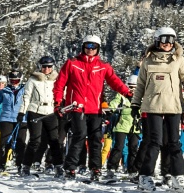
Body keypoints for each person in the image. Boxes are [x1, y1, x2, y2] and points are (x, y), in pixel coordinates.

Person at [131, 27, 184, 193]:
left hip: (173, 106)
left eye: (171, 40)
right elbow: (140, 86)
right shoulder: (148, 61)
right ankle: (145, 176)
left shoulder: (178, 60)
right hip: (153, 106)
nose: (168, 44)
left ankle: (177, 176)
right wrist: (135, 104)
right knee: (155, 142)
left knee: (174, 142)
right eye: (164, 40)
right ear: (157, 40)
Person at [54, 34, 133, 181]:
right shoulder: (72, 63)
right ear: (83, 47)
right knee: (79, 136)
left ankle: (95, 168)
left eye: (94, 47)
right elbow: (59, 84)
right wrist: (58, 103)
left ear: (98, 49)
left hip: (95, 108)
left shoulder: (102, 66)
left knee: (96, 139)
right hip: (77, 107)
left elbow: (114, 81)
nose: (90, 49)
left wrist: (127, 93)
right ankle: (70, 168)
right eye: (88, 46)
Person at [22, 57, 61, 176]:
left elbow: (61, 93)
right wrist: (22, 112)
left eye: (49, 67)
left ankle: (58, 166)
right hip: (35, 110)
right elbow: (26, 96)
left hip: (50, 111)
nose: (46, 69)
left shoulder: (56, 80)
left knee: (54, 140)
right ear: (40, 67)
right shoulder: (33, 79)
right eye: (44, 66)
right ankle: (26, 166)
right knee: (35, 139)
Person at [0, 72, 27, 174]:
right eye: (12, 81)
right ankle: (1, 163)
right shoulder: (4, 91)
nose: (14, 83)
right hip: (6, 119)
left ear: (20, 80)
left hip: (21, 118)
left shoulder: (25, 90)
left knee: (20, 143)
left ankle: (20, 164)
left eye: (16, 81)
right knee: (5, 142)